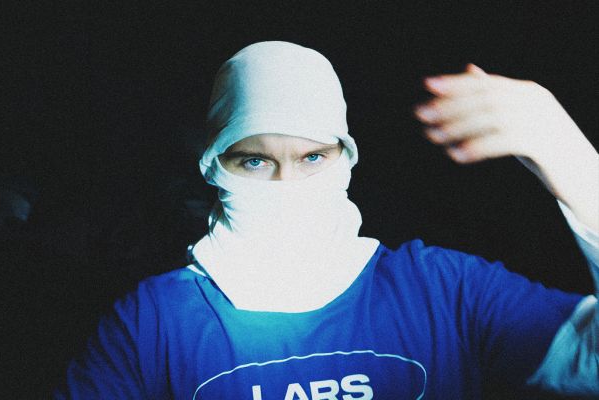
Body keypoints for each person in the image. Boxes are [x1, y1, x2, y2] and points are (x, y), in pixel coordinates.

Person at [55, 41, 598, 399]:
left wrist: (574, 162)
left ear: (346, 157)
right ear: (214, 165)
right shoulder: (154, 321)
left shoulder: (442, 289)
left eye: (312, 156)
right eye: (254, 160)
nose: (287, 184)